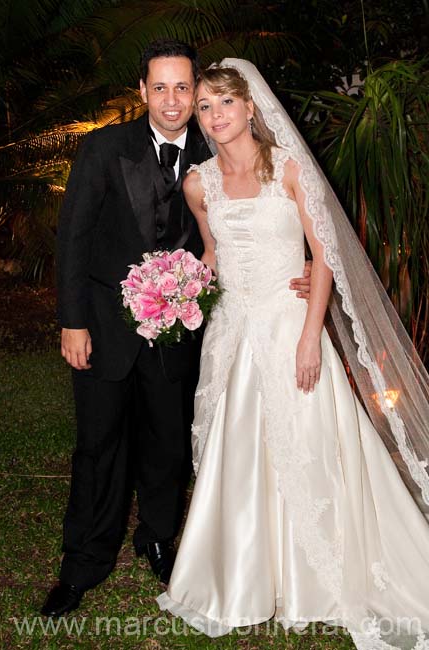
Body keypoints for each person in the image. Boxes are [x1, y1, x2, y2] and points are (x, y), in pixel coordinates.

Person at [157, 60, 429, 649]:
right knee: (239, 452)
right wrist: (173, 289)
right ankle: (243, 579)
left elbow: (324, 254)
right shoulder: (198, 184)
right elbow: (213, 252)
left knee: (309, 450)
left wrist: (311, 335)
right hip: (232, 333)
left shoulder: (290, 170)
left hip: (289, 329)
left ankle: (319, 578)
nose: (215, 115)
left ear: (251, 108)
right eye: (204, 107)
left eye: (225, 103)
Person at [40, 39, 314, 618]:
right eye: (159, 87)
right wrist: (72, 322)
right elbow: (74, 239)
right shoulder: (102, 148)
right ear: (141, 91)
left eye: (183, 88)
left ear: (197, 93)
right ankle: (82, 564)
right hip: (105, 331)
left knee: (168, 445)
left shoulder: (217, 151)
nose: (172, 100)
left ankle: (160, 542)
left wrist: (305, 265)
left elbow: (261, 216)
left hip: (181, 334)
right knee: (98, 446)